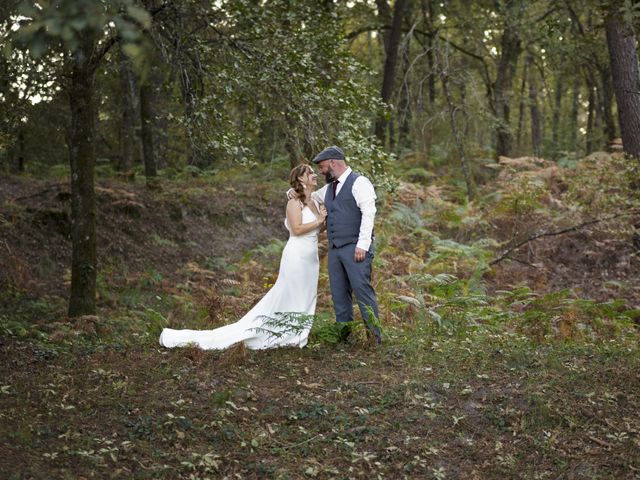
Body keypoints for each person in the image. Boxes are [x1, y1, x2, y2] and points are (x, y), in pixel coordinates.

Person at [159, 164, 327, 350]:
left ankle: (296, 333)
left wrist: (323, 222)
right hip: (296, 256)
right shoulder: (294, 202)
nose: (314, 174)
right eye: (310, 172)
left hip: (311, 258)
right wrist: (319, 220)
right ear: (301, 179)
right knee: (288, 295)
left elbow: (316, 229)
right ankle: (280, 334)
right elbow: (296, 230)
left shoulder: (315, 201)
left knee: (305, 295)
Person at [309, 145, 381, 344]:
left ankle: (374, 338)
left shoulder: (359, 182)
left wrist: (363, 245)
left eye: (323, 166)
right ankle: (344, 336)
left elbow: (369, 213)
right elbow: (311, 198)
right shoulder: (329, 188)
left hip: (355, 248)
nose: (321, 171)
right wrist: (293, 191)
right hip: (335, 250)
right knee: (339, 295)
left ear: (333, 162)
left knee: (362, 292)